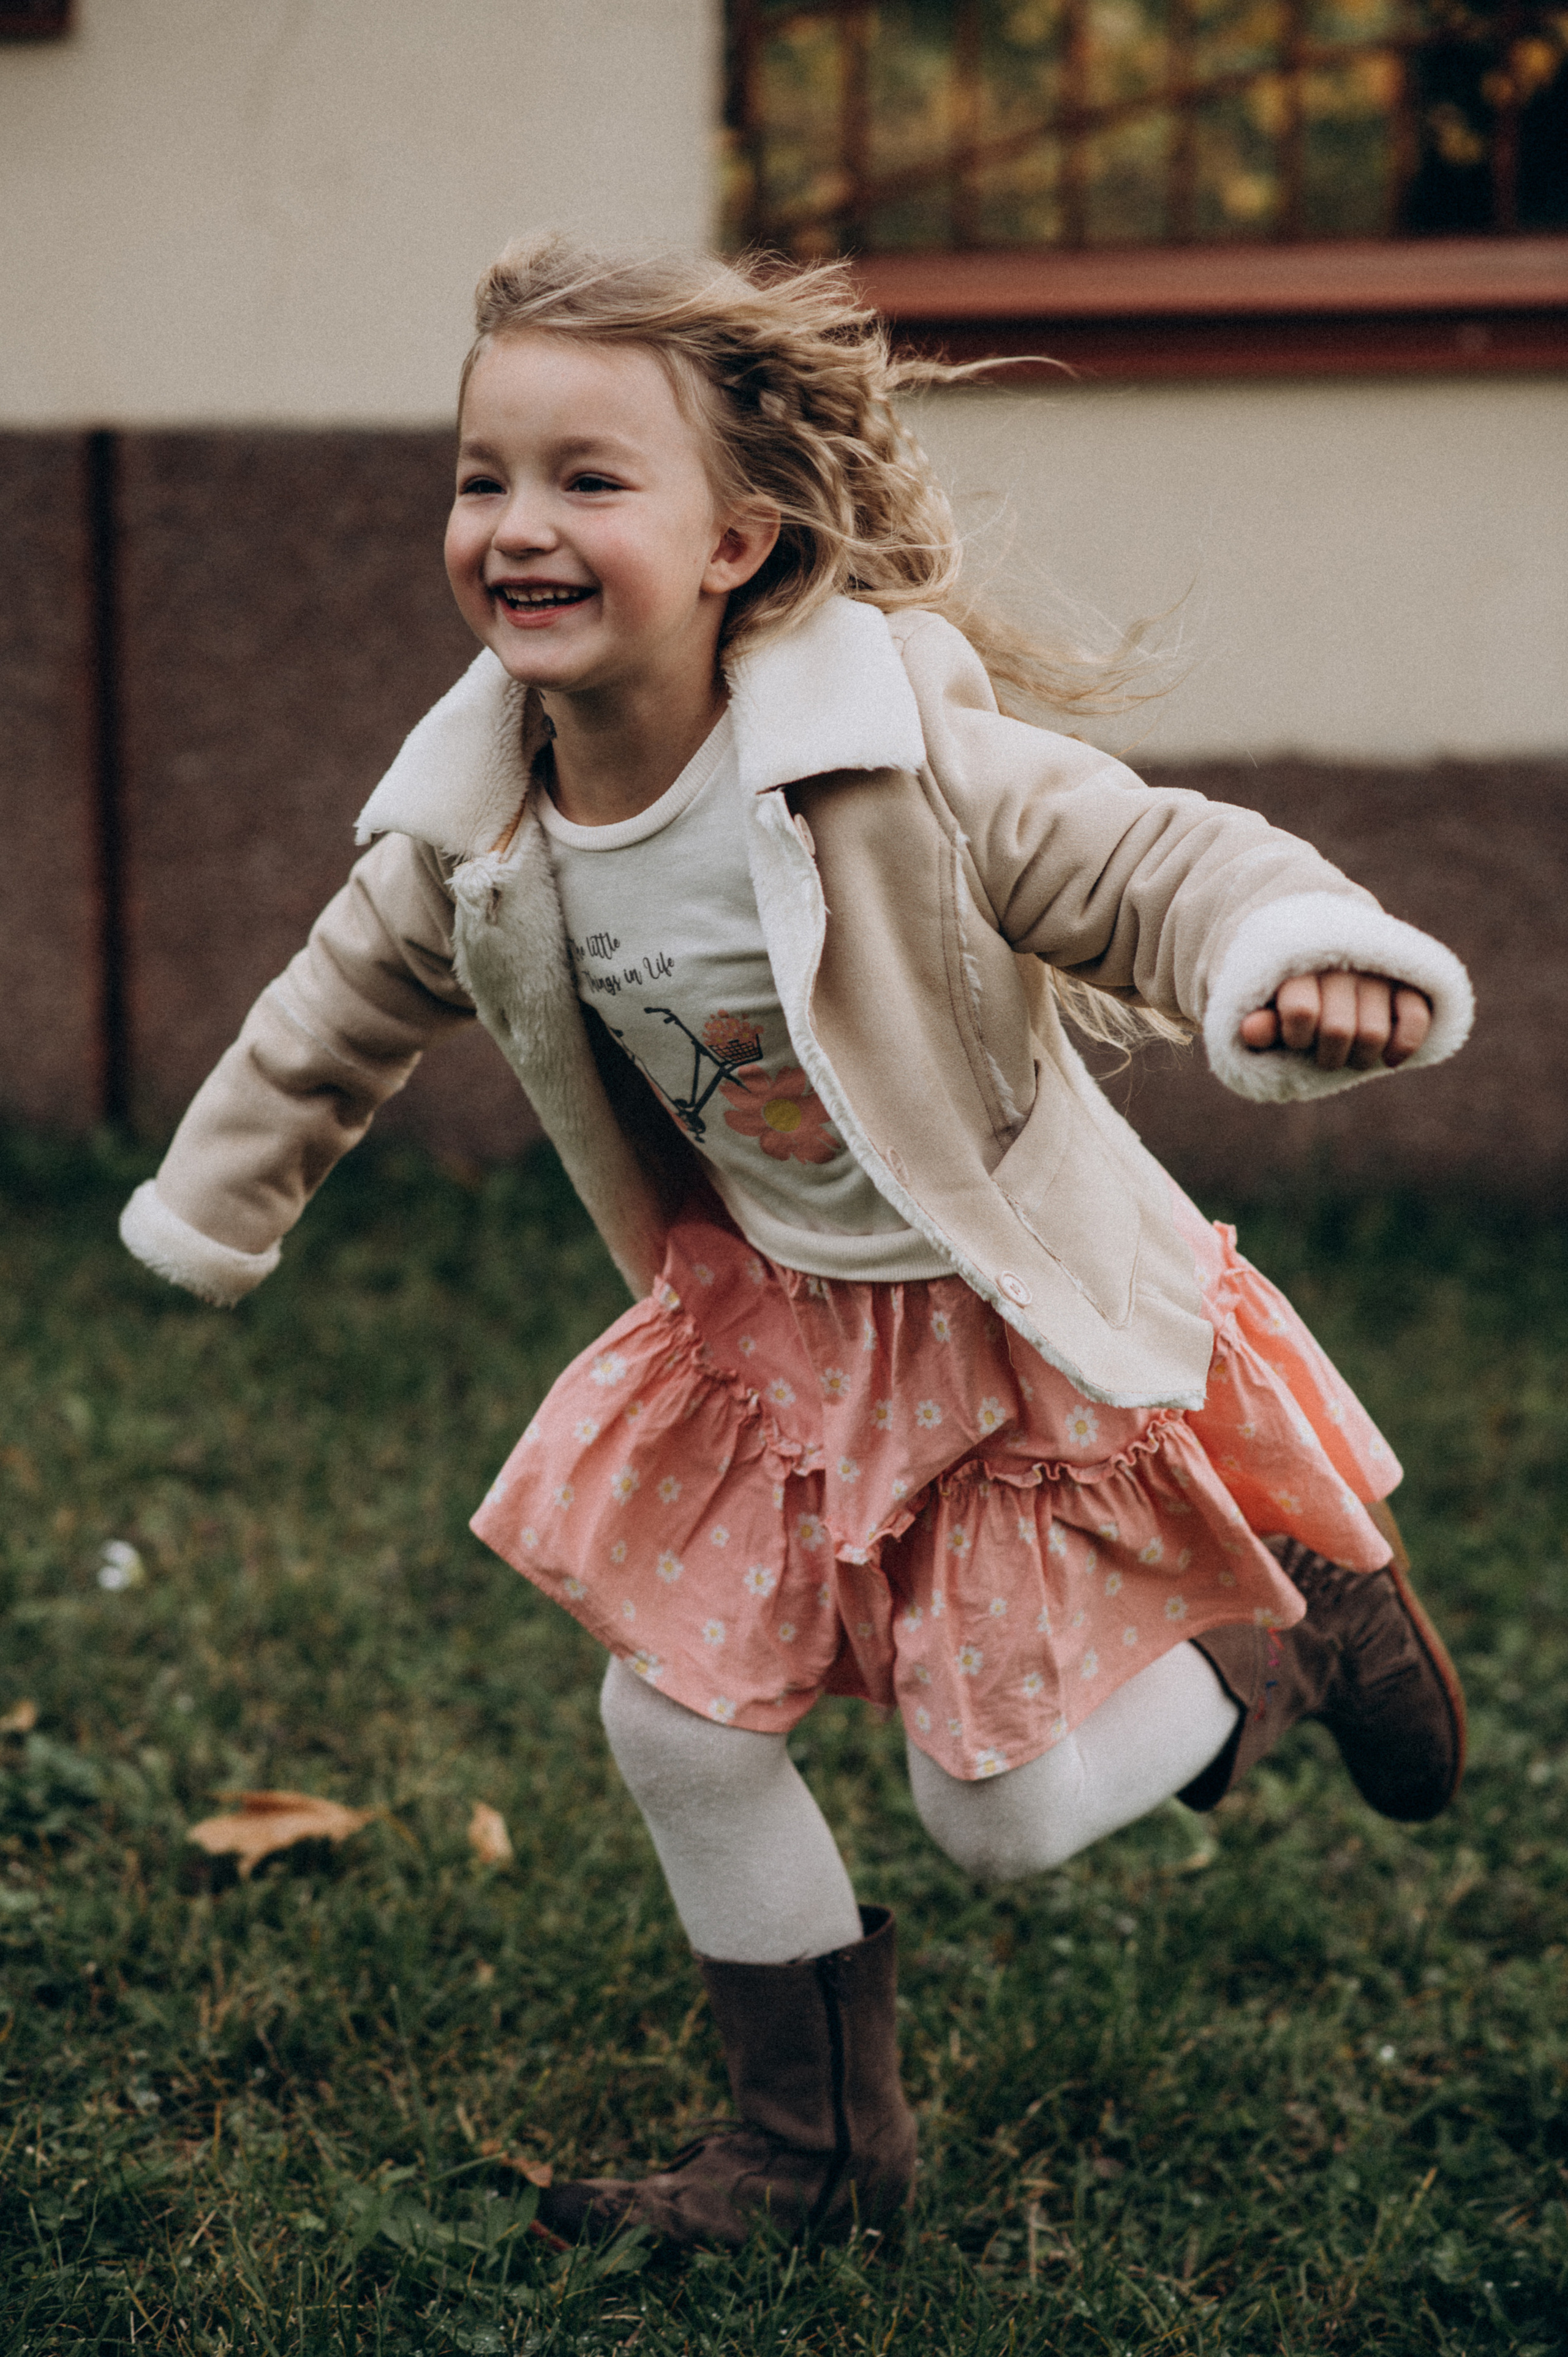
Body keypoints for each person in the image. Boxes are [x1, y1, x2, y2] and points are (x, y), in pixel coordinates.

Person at [119, 235, 1474, 2252]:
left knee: (995, 1816)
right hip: (768, 1334)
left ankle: (1270, 1634)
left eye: (591, 481)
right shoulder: (478, 822)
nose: (516, 528)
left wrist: (1294, 956)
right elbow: (332, 1016)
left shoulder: (894, 766)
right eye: (482, 478)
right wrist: (212, 1209)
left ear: (742, 535)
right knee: (667, 1718)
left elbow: (1144, 858)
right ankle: (816, 2155)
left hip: (1003, 1321)